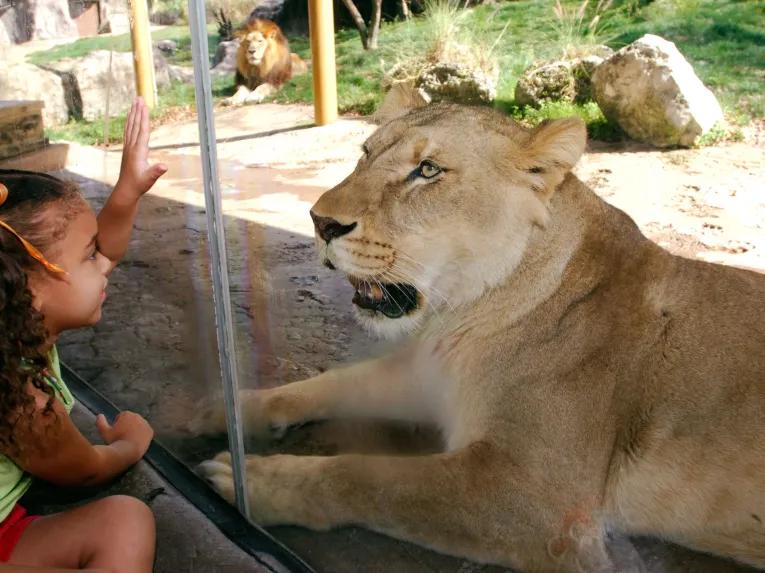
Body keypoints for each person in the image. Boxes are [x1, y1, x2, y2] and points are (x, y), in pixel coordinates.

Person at [0, 98, 167, 572]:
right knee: (128, 521)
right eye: (89, 256)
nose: (106, 265)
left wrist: (128, 191)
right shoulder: (21, 397)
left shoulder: (13, 328)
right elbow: (82, 469)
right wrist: (129, 445)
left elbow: (107, 251)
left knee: (121, 524)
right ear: (26, 286)